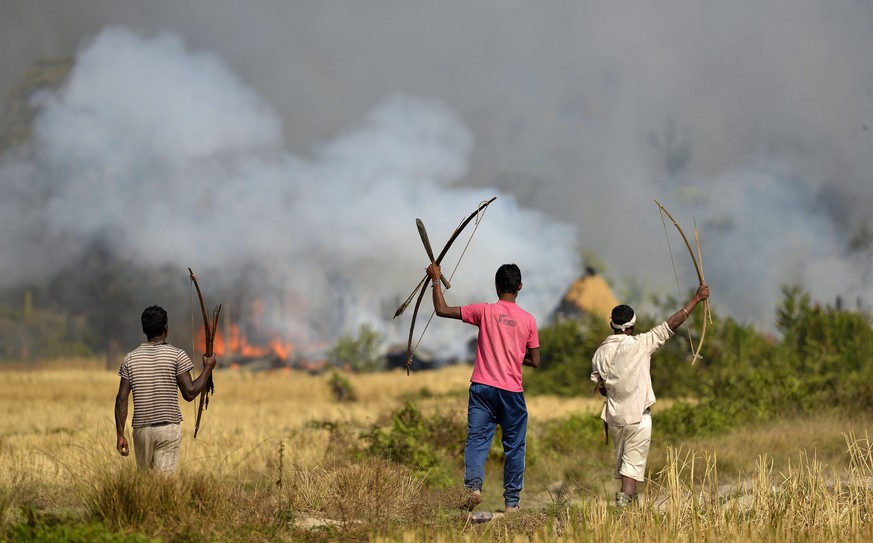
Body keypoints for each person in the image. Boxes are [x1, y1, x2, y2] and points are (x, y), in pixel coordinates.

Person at [426, 262, 540, 513]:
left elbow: (441, 309)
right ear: (519, 287)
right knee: (515, 447)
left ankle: (474, 489)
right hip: (512, 392)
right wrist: (512, 353)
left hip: (482, 389)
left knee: (477, 441)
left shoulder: (484, 311)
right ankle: (511, 504)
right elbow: (535, 360)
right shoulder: (529, 321)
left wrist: (436, 279)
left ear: (496, 286)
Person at [591, 283, 710, 507]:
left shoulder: (599, 354)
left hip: (615, 420)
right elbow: (671, 324)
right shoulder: (641, 343)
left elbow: (603, 389)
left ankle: (631, 516)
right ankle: (624, 514)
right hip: (638, 418)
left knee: (628, 470)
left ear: (612, 325)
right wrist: (696, 298)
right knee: (630, 472)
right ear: (632, 326)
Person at [114, 305, 216, 474]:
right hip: (167, 429)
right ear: (166, 328)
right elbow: (190, 393)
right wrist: (208, 369)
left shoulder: (130, 359)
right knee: (164, 487)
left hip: (141, 431)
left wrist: (120, 434)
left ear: (144, 329)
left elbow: (121, 399)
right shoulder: (177, 355)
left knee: (145, 485)